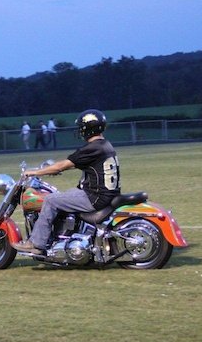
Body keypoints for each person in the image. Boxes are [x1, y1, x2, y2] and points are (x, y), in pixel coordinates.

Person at [11, 109, 121, 255]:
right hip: (103, 194)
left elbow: (62, 165)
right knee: (61, 195)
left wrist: (34, 172)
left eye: (81, 127)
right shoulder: (104, 145)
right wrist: (53, 169)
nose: (80, 130)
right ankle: (60, 236)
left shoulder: (92, 148)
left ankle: (36, 243)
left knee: (50, 200)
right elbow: (81, 164)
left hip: (95, 197)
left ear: (88, 129)